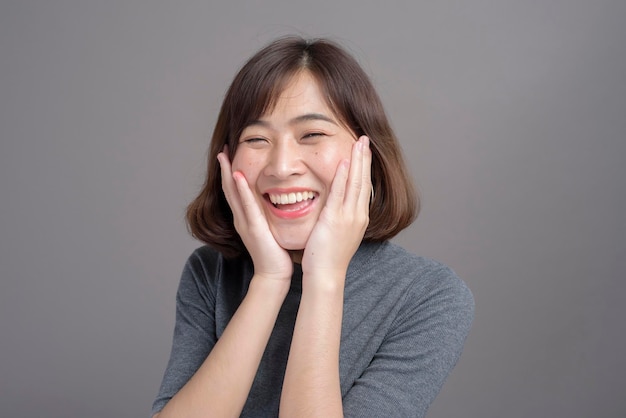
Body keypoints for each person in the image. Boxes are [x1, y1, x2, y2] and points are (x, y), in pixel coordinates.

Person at [152, 36, 474, 418]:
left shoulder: (429, 295)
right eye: (256, 139)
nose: (282, 166)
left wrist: (324, 278)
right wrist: (270, 280)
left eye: (312, 135)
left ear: (365, 152)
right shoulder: (210, 272)